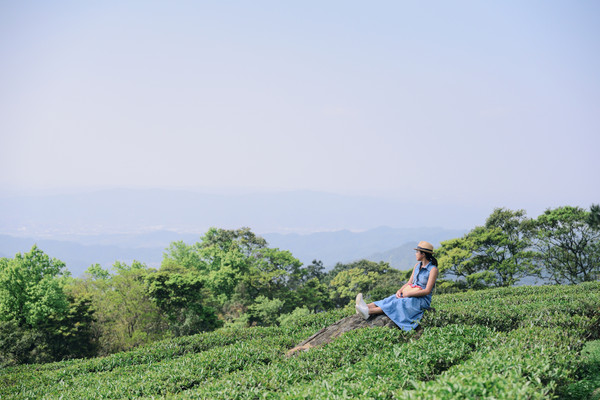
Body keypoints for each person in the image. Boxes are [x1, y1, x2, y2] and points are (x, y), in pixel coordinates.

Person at [355, 241, 439, 330]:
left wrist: (409, 294)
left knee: (398, 303)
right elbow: (409, 283)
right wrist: (400, 290)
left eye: (417, 252)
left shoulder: (433, 269)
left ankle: (369, 311)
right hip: (411, 291)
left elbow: (427, 291)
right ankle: (365, 306)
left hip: (422, 299)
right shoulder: (417, 266)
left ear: (423, 254)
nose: (415, 254)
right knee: (392, 298)